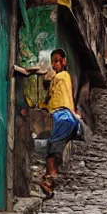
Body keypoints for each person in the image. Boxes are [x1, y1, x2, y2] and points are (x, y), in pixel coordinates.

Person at [43, 49, 81, 198]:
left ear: (64, 61)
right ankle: (49, 183)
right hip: (66, 118)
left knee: (52, 151)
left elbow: (53, 96)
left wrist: (48, 78)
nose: (55, 64)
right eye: (53, 61)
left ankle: (49, 181)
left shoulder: (62, 76)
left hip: (62, 118)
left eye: (58, 61)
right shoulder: (63, 77)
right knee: (52, 150)